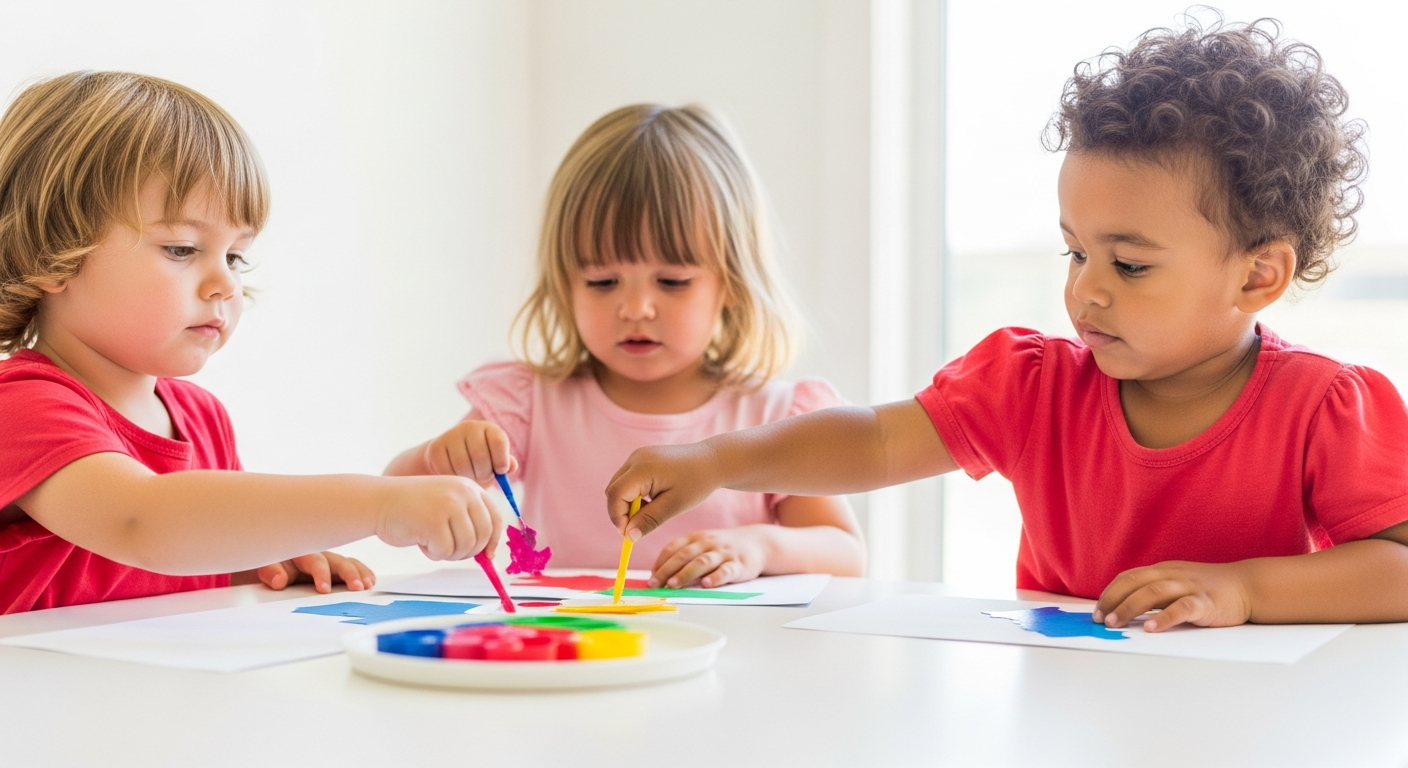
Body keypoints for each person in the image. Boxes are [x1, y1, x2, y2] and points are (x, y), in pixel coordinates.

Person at [604, 18, 1408, 631]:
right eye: (1073, 252)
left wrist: (1245, 589)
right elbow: (877, 441)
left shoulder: (1326, 405)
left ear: (1257, 274)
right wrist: (716, 460)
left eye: (1128, 265)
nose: (1085, 292)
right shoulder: (1032, 385)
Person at [0, 72, 503, 613]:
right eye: (181, 248)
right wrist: (379, 503)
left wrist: (274, 556)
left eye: (235, 256)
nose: (225, 284)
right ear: (55, 253)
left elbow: (192, 548)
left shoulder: (201, 416)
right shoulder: (23, 404)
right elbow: (142, 522)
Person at [387, 104, 864, 589]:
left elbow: (846, 553)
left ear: (732, 285)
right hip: (578, 657)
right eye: (603, 281)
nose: (635, 307)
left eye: (672, 281)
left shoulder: (776, 416)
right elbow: (393, 504)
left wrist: (761, 546)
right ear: (564, 284)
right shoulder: (529, 403)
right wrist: (438, 457)